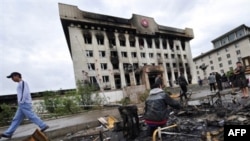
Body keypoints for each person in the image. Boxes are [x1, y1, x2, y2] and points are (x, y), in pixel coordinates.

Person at [0, 72, 49, 139]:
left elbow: (24, 93)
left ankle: (43, 125)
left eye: (12, 77)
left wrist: (21, 102)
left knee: (31, 116)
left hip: (24, 103)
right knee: (16, 119)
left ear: (17, 76)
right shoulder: (20, 84)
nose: (12, 79)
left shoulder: (22, 83)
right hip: (22, 104)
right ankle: (8, 133)